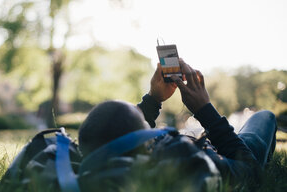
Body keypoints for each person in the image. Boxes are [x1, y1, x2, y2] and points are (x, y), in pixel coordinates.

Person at [78, 59, 277, 190]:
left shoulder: (97, 162)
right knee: (265, 117)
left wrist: (153, 99)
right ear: (147, 146)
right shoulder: (188, 165)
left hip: (200, 142)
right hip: (229, 154)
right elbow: (252, 172)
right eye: (149, 131)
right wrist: (204, 110)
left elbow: (123, 132)